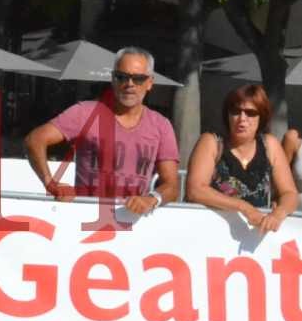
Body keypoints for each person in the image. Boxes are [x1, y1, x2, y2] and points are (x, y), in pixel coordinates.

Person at [25, 46, 180, 212]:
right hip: (83, 219)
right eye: (122, 77)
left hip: (134, 224)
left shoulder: (161, 125)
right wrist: (50, 182)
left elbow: (171, 185)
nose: (129, 84)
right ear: (113, 79)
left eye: (138, 79)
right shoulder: (85, 112)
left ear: (150, 83)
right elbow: (35, 139)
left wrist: (152, 199)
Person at [185, 84, 297, 231]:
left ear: (261, 117)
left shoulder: (270, 145)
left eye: (250, 113)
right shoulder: (211, 142)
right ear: (228, 115)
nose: (242, 118)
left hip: (254, 237)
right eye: (235, 111)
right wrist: (243, 207)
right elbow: (195, 190)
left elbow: (289, 193)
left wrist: (278, 214)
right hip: (208, 231)